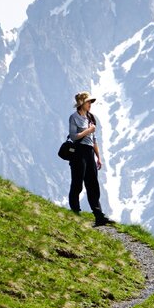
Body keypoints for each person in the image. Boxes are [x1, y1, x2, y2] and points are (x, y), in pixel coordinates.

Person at [68, 91, 111, 226]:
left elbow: (94, 140)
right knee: (77, 183)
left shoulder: (91, 117)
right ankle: (75, 212)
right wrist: (88, 131)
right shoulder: (74, 117)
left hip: (89, 152)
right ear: (81, 104)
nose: (90, 104)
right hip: (78, 153)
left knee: (93, 183)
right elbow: (74, 136)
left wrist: (98, 157)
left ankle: (98, 215)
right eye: (88, 102)